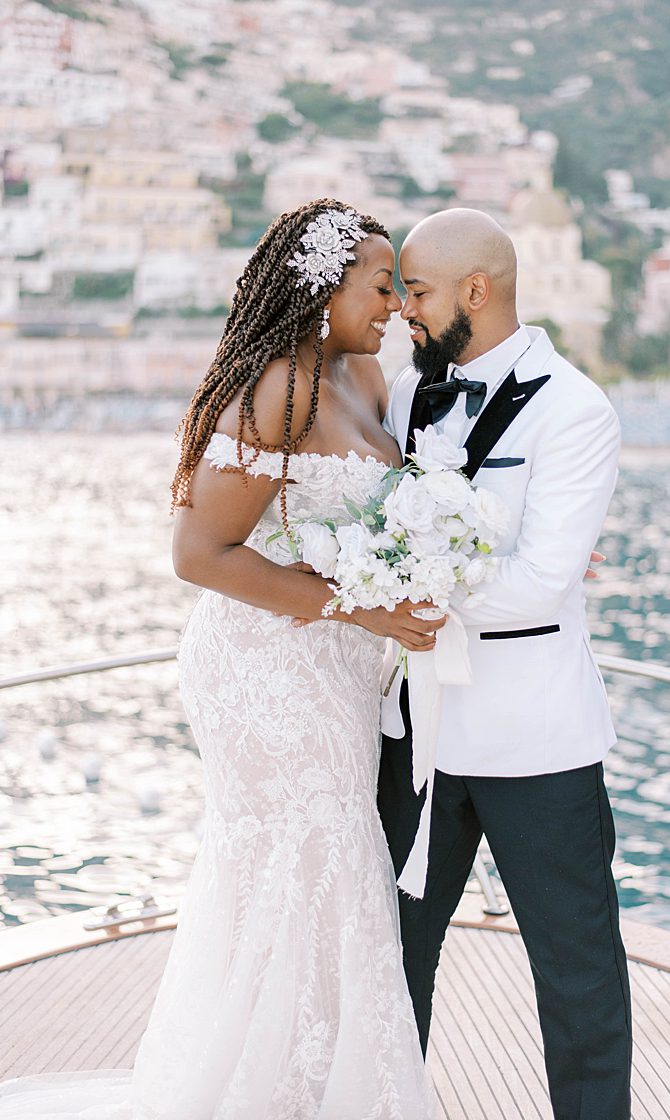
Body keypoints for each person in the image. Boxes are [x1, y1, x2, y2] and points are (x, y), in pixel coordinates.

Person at [0, 200, 441, 1116]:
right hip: (266, 671)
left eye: (400, 284)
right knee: (316, 868)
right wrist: (359, 609)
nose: (397, 303)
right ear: (323, 290)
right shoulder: (277, 387)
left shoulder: (366, 373)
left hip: (339, 670)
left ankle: (299, 1084)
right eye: (380, 283)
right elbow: (198, 557)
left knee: (321, 880)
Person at [376, 208, 632, 1120]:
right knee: (392, 956)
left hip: (539, 741)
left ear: (474, 292)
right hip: (419, 739)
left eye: (418, 291)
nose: (404, 308)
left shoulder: (577, 409)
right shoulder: (402, 398)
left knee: (577, 971)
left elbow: (539, 585)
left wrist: (405, 587)